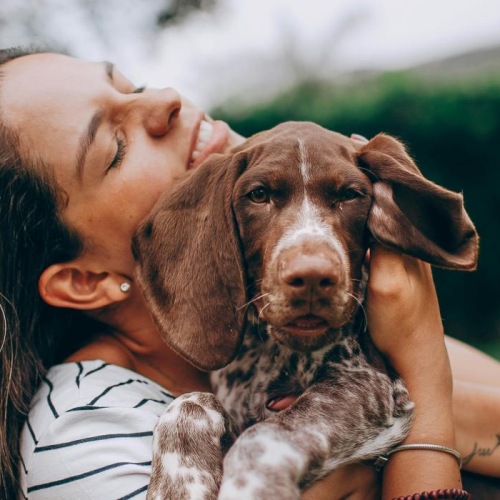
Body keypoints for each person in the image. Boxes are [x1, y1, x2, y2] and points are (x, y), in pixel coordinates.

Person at [0, 46, 498, 500]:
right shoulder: (85, 437)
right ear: (86, 281)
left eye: (133, 87)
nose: (168, 100)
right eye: (115, 148)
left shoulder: (324, 321)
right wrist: (425, 395)